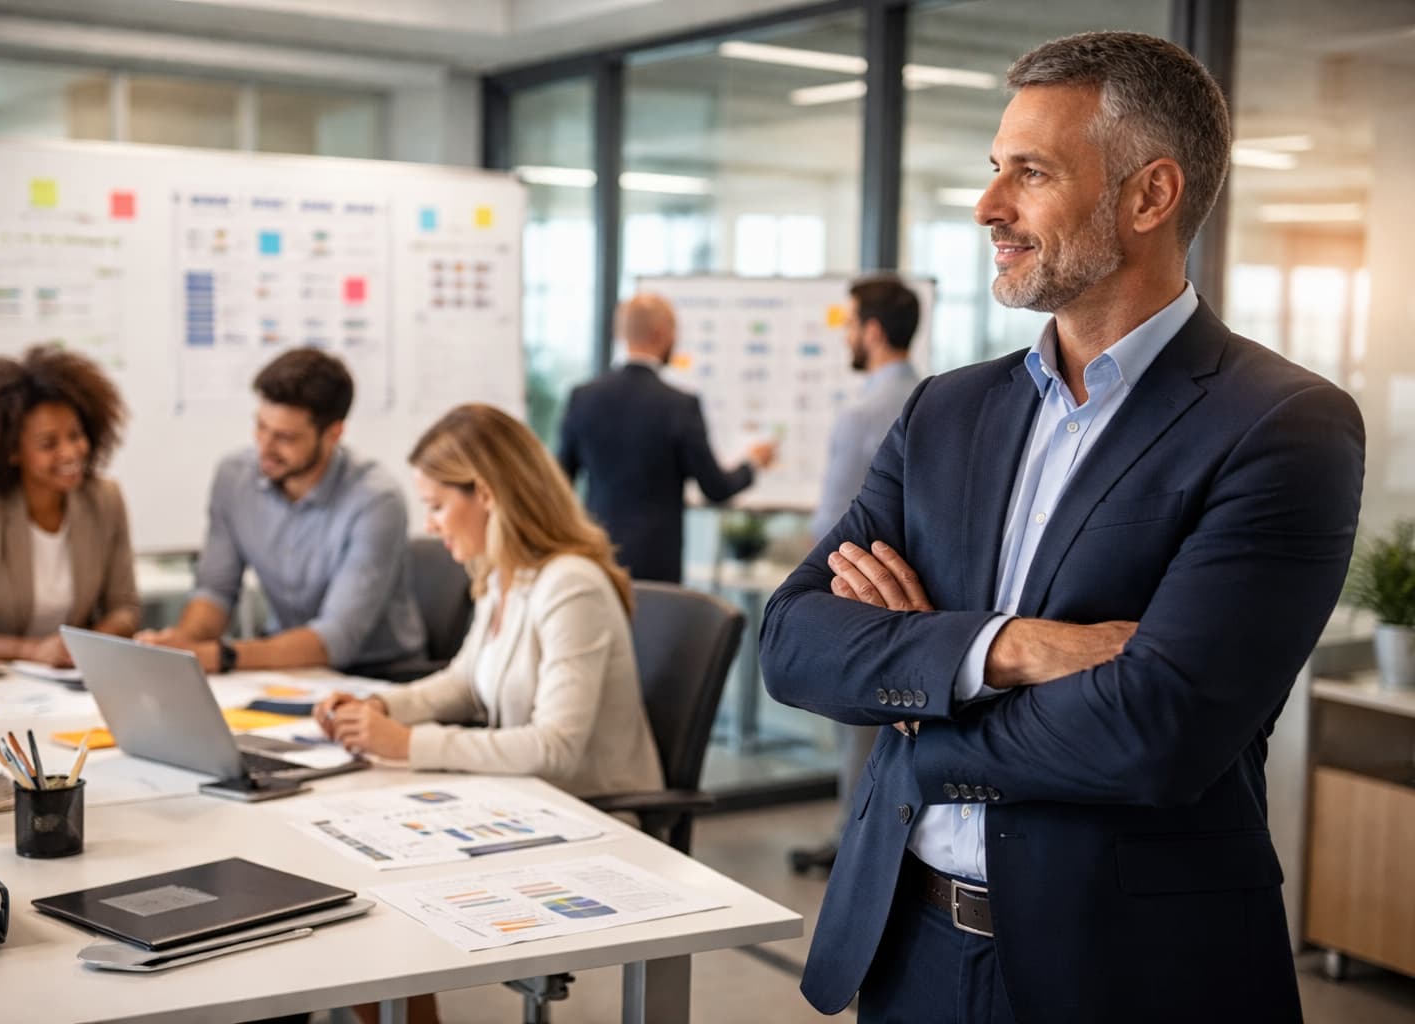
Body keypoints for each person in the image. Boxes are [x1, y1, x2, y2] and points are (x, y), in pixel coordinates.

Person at [760, 31, 1364, 1024]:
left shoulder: (1281, 424)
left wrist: (919, 707)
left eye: (1031, 173)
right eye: (995, 167)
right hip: (908, 951)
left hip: (1130, 974)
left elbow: (1154, 730)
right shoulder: (945, 411)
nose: (988, 205)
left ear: (1149, 196)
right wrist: (1009, 650)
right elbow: (792, 640)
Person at [313, 403, 663, 799]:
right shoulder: (503, 576)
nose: (429, 525)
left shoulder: (571, 586)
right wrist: (379, 708)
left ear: (484, 494)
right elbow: (464, 683)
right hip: (525, 799)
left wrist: (407, 743)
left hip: (592, 811)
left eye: (437, 506)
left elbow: (556, 747)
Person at [140, 348, 424, 675]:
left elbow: (337, 637)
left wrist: (219, 656)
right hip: (285, 666)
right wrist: (182, 645)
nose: (265, 447)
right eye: (260, 427)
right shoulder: (235, 477)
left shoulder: (376, 501)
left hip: (378, 671)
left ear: (333, 434)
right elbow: (216, 590)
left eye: (285, 437)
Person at [789, 273, 921, 877]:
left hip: (861, 594)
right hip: (928, 597)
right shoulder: (936, 398)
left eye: (849, 324)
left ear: (872, 332)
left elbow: (833, 524)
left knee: (861, 728)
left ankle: (854, 844)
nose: (845, 336)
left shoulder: (863, 412)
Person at [0, 345, 139, 666]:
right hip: (1, 681)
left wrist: (87, 647)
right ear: (12, 452)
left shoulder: (105, 500)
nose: (70, 452)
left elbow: (125, 608)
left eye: (75, 435)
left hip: (78, 678)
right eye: (49, 444)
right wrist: (30, 650)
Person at [557, 292, 777, 583]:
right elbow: (716, 488)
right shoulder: (680, 405)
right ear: (662, 334)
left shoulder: (582, 398)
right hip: (656, 564)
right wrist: (753, 463)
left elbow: (559, 482)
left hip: (596, 557)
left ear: (621, 333)